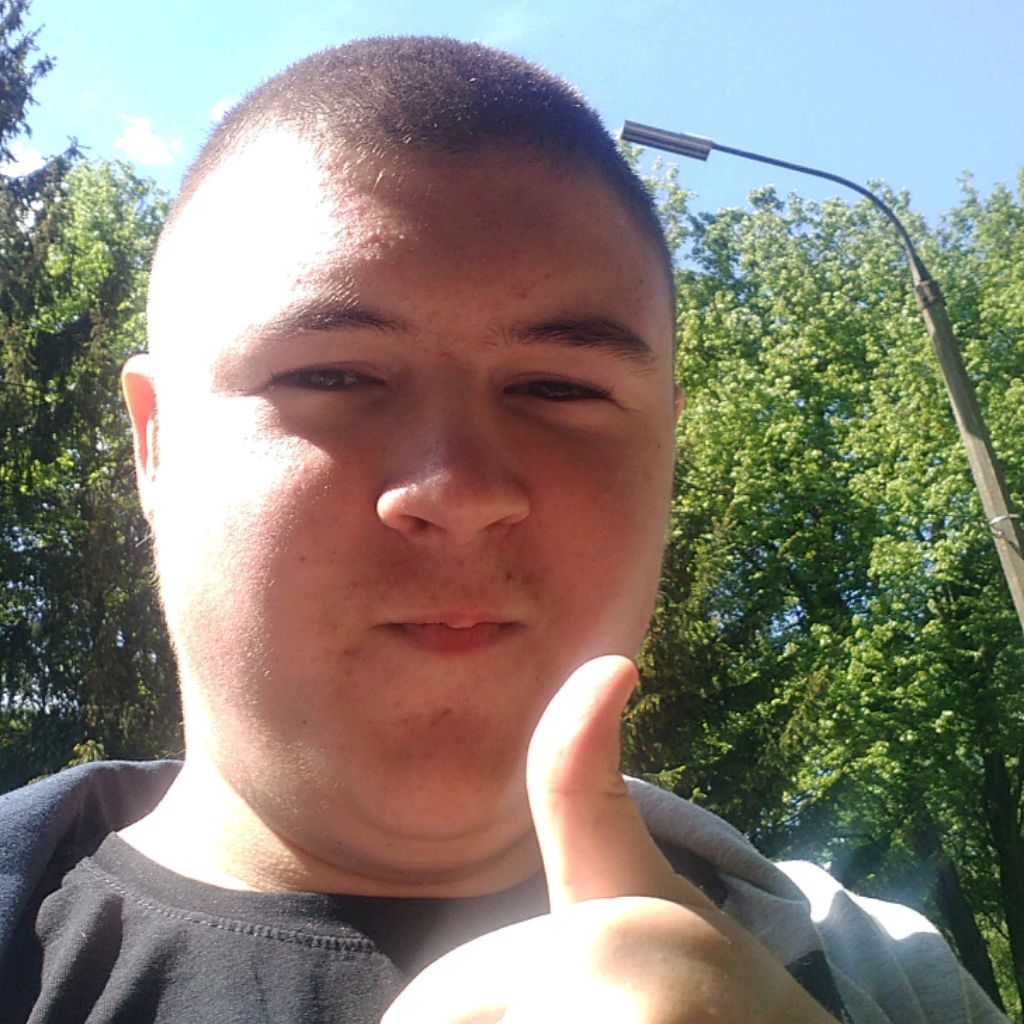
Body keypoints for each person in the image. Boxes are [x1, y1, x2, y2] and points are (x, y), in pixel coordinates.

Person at [0, 37, 1008, 1024]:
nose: (459, 490)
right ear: (156, 444)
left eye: (559, 387)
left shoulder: (889, 980)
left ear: (665, 450)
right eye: (332, 374)